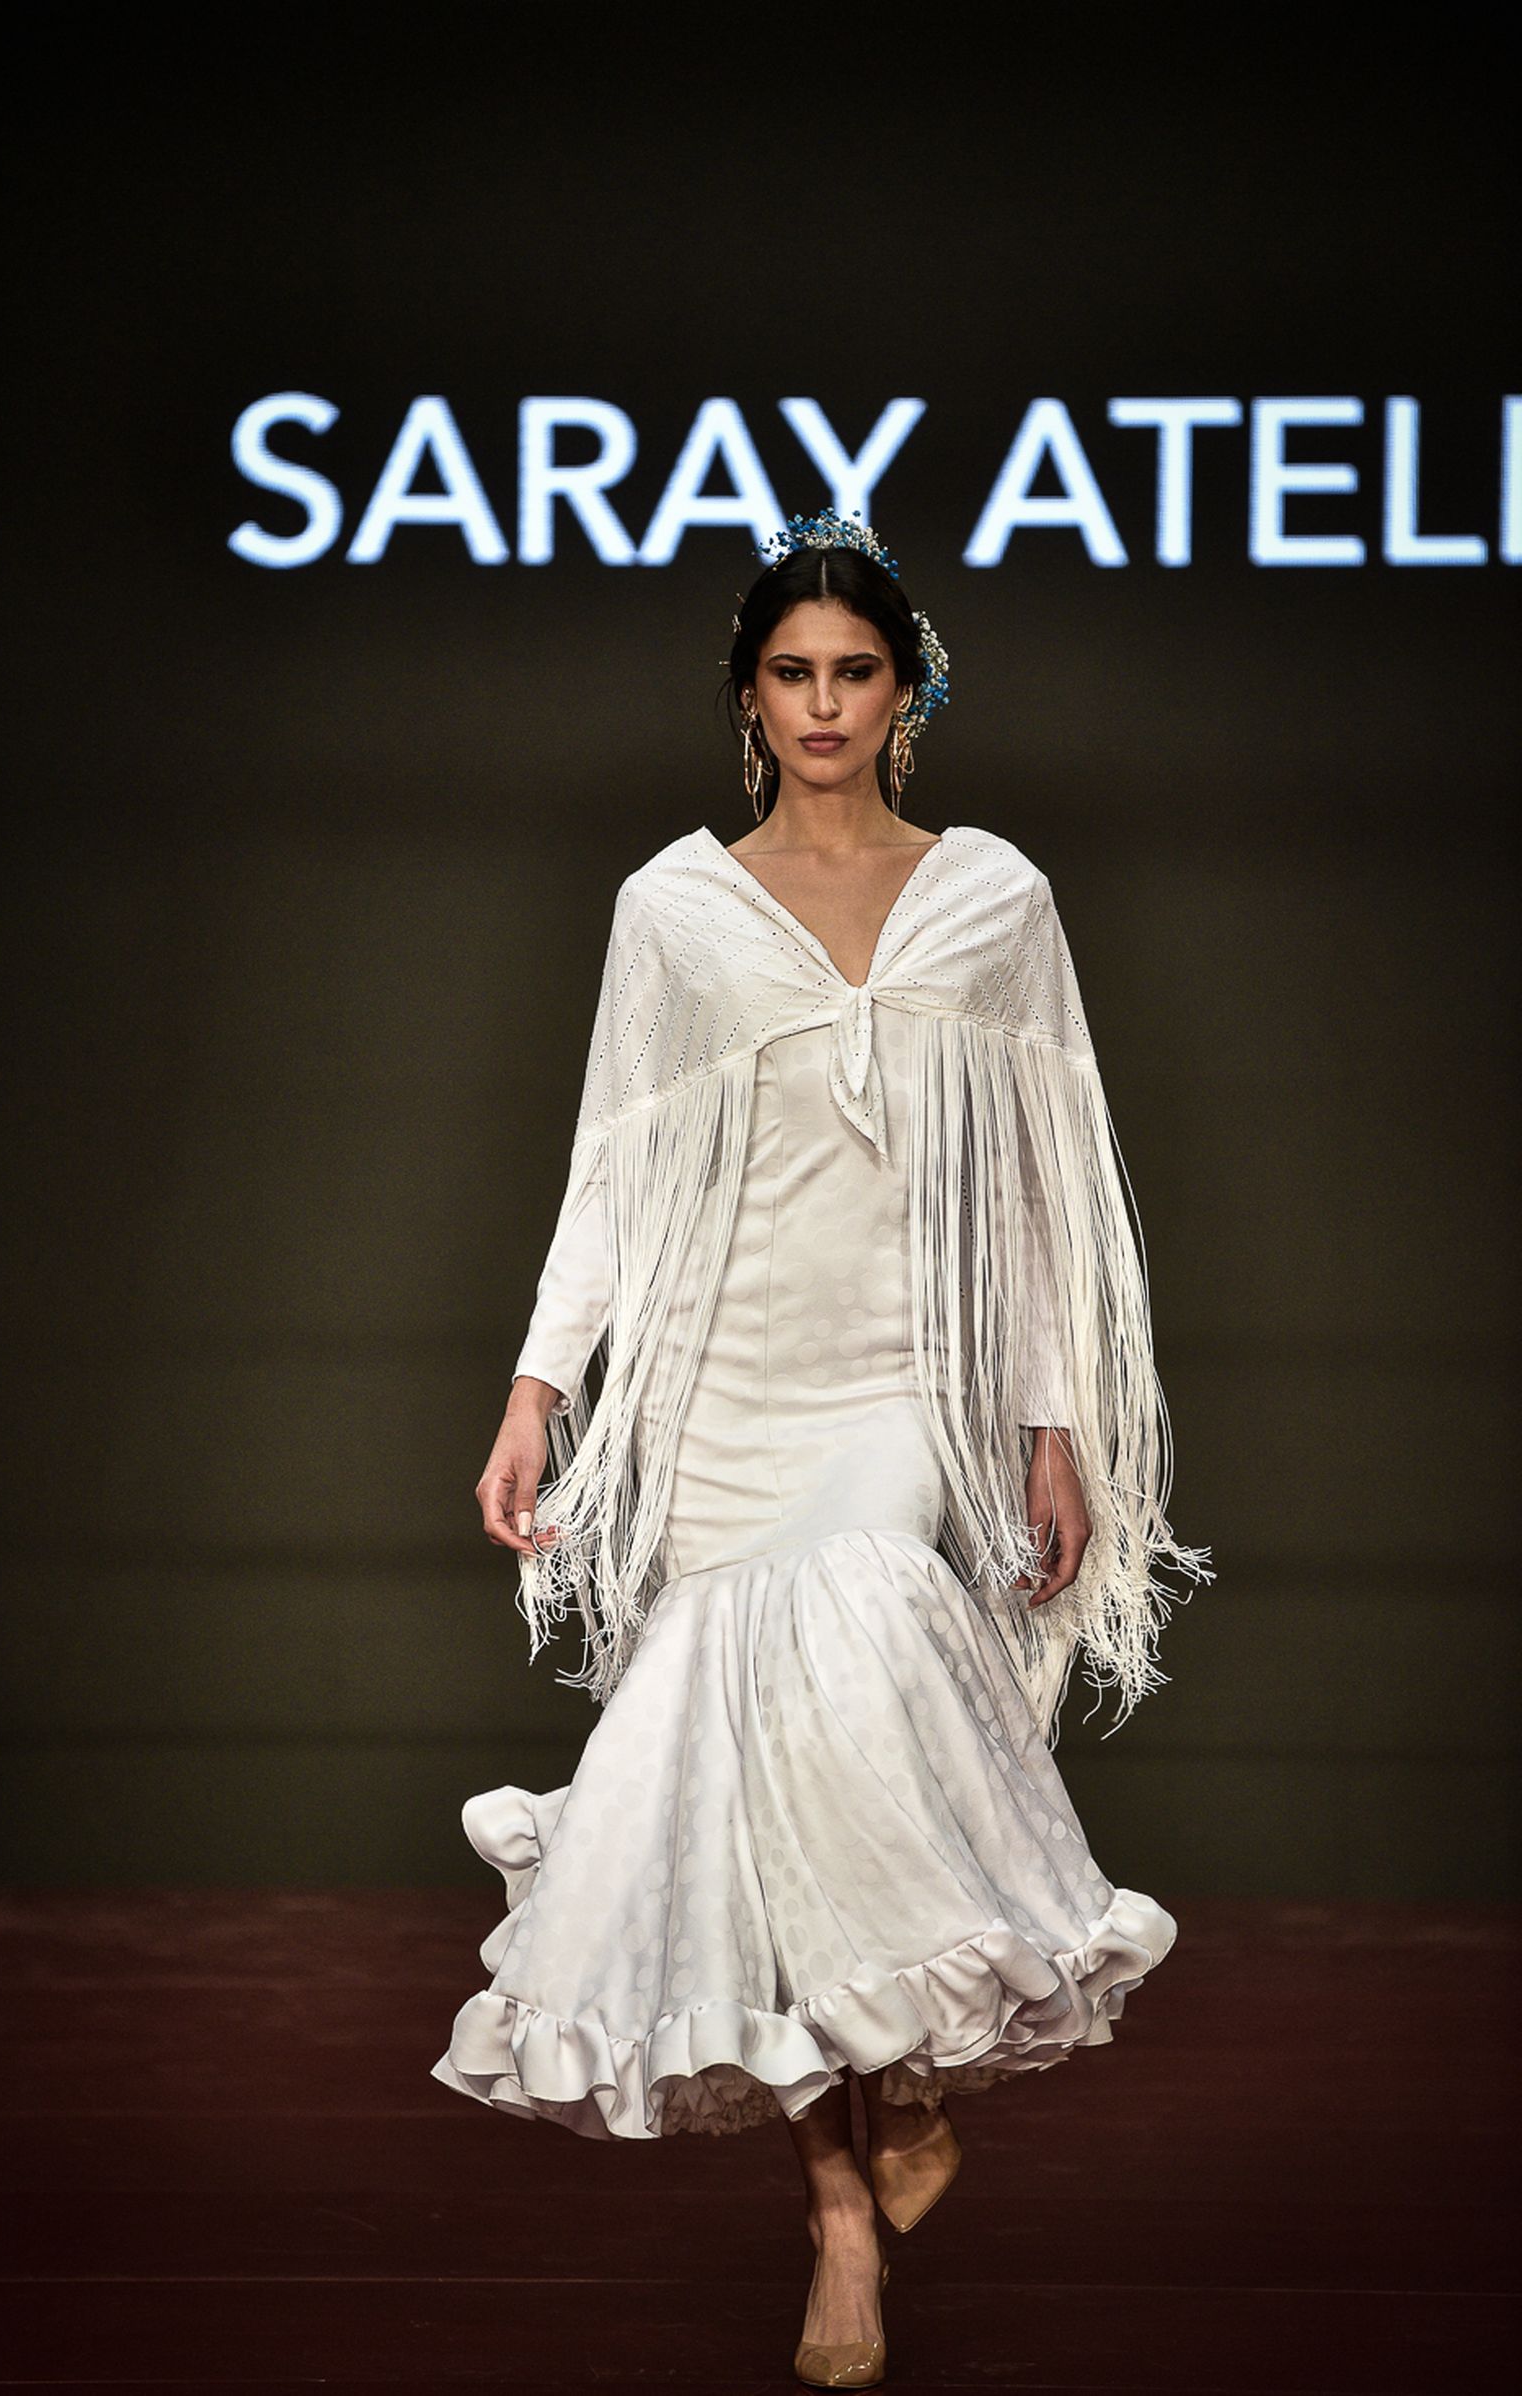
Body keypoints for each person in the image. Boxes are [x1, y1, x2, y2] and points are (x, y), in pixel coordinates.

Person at [432, 511, 1213, 2389]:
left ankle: (917, 2076)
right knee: (762, 1814)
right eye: (791, 673)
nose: (823, 704)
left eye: (854, 671)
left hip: (891, 1394)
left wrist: (1053, 1423)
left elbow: (1033, 1195)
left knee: (864, 1713)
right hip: (719, 1392)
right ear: (749, 695)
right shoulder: (675, 910)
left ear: (905, 687)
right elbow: (608, 1173)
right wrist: (543, 1391)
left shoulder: (990, 901)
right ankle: (843, 2205)